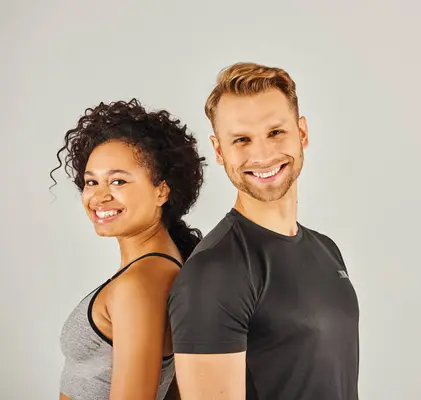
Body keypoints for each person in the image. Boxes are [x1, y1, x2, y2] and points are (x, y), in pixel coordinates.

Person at [168, 62, 360, 399]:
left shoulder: (326, 250)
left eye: (275, 132)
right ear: (218, 151)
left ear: (302, 133)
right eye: (241, 139)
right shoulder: (215, 271)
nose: (262, 154)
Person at [51, 98, 205, 400]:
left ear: (161, 190)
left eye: (118, 181)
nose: (98, 196)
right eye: (91, 182)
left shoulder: (140, 283)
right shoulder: (159, 269)